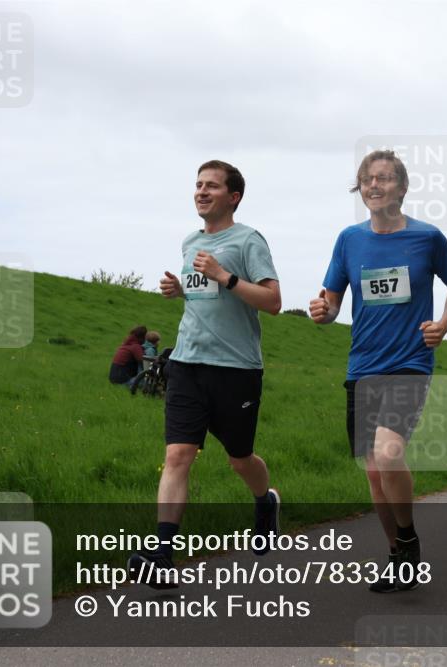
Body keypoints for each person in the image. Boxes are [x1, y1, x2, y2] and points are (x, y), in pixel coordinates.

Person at [309, 149, 447, 591]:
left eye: (383, 178)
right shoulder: (349, 240)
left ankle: (409, 539)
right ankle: (398, 554)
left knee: (388, 453)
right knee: (375, 473)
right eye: (366, 179)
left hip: (410, 363)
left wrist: (444, 324)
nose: (374, 185)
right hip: (363, 366)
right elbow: (333, 299)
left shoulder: (427, 238)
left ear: (402, 186)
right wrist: (323, 311)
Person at [128, 160, 282, 588]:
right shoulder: (189, 242)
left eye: (211, 186)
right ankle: (162, 554)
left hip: (236, 369)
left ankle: (264, 501)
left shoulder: (249, 240)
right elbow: (203, 297)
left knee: (239, 459)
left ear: (233, 196)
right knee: (178, 455)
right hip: (187, 363)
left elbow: (272, 300)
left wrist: (224, 275)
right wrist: (181, 290)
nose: (201, 191)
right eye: (198, 185)